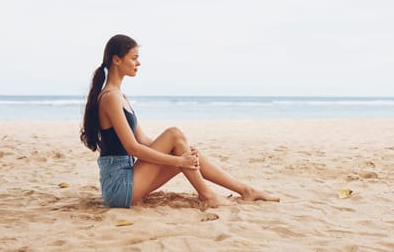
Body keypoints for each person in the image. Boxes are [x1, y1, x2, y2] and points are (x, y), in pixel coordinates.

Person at [80, 34, 279, 208]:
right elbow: (133, 148)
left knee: (184, 147)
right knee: (174, 134)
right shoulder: (109, 97)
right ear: (116, 60)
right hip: (119, 187)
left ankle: (246, 190)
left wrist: (183, 153)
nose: (138, 63)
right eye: (134, 58)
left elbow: (144, 141)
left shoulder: (121, 96)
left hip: (130, 178)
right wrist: (178, 159)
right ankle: (208, 195)